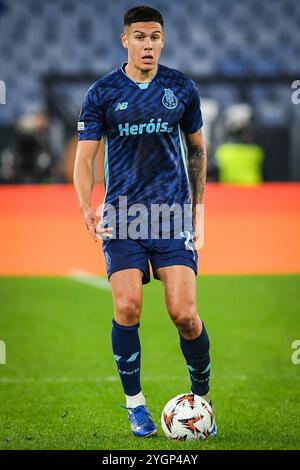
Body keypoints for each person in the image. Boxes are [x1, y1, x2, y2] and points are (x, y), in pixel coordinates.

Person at [73, 5, 217, 438]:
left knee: (185, 314)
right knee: (127, 306)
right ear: (125, 41)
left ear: (163, 40)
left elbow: (196, 150)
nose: (148, 44)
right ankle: (135, 405)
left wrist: (198, 207)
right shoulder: (102, 92)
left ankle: (201, 399)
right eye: (139, 36)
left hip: (172, 215)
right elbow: (85, 159)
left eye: (155, 36)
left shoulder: (180, 88)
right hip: (123, 216)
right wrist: (86, 205)